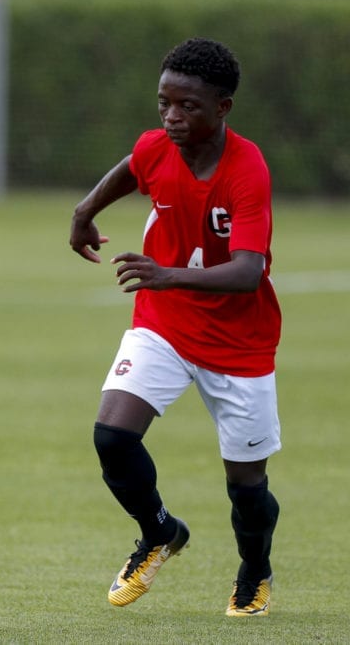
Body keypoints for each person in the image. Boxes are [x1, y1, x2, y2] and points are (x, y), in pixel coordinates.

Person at [69, 37, 281, 617]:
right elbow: (132, 168)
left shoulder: (246, 170)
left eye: (187, 106)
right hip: (163, 324)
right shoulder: (158, 146)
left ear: (222, 107)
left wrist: (166, 274)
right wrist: (84, 212)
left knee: (247, 487)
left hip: (239, 343)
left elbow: (246, 272)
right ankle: (159, 532)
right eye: (165, 103)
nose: (172, 117)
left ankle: (255, 571)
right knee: (112, 435)